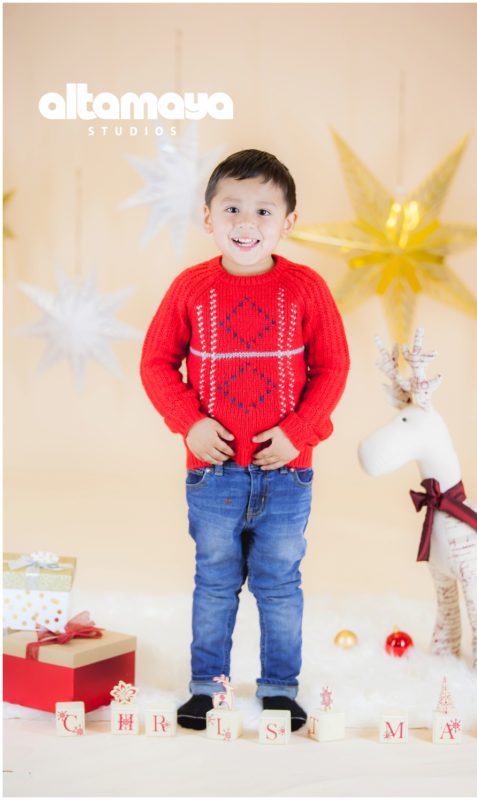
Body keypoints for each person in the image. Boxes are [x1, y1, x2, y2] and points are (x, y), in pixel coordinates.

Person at [140, 149, 350, 731]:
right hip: (214, 474)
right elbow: (156, 363)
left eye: (263, 210)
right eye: (232, 208)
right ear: (208, 217)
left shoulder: (306, 288)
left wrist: (299, 432)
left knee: (280, 584)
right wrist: (190, 421)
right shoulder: (191, 288)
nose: (246, 223)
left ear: (289, 222)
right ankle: (208, 688)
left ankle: (279, 688)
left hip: (287, 473)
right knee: (214, 580)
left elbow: (332, 367)